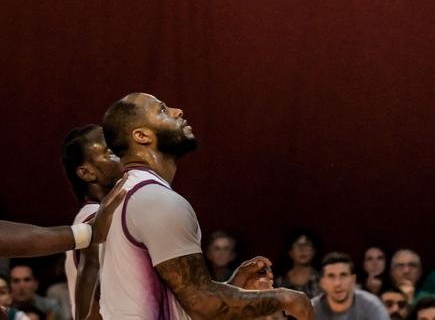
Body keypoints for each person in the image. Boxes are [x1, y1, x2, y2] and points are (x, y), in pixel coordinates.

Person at [99, 91, 313, 320]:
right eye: (162, 110)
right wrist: (288, 299)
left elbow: (185, 301)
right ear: (142, 136)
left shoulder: (122, 196)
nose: (177, 111)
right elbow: (203, 305)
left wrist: (232, 287)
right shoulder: (156, 200)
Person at [59, 124, 124, 320]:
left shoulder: (91, 215)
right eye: (110, 151)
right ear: (86, 173)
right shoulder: (95, 219)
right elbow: (90, 278)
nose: (122, 153)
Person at [312, 252, 389, 320]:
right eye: (331, 276)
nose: (337, 283)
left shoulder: (372, 306)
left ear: (353, 280)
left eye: (343, 275)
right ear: (322, 283)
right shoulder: (311, 309)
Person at [277, 231, 324, 298]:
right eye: (298, 245)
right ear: (290, 252)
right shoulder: (280, 282)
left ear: (314, 251)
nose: (302, 250)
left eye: (307, 245)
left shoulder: (322, 280)